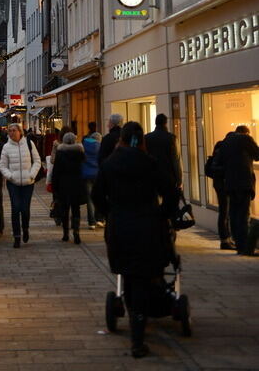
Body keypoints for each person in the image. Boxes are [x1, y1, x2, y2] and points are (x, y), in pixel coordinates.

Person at [92, 121, 178, 359]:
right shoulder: (150, 163)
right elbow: (171, 192)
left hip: (120, 228)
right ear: (142, 141)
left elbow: (96, 195)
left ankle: (136, 331)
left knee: (129, 277)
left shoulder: (110, 164)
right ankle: (137, 339)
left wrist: (111, 212)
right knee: (142, 279)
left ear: (121, 139)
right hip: (148, 227)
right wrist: (162, 214)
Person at [214, 125, 259, 254]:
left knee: (233, 214)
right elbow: (257, 155)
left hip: (230, 184)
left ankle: (239, 245)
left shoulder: (226, 142)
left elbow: (218, 163)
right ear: (246, 132)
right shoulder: (246, 139)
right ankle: (245, 247)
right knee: (244, 214)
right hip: (244, 182)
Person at [0, 123, 41, 247]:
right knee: (15, 208)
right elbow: (2, 166)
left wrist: (32, 174)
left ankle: (26, 228)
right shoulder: (6, 147)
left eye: (14, 130)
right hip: (13, 183)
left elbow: (37, 161)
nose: (11, 133)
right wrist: (10, 176)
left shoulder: (29, 144)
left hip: (28, 182)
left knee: (25, 209)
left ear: (20, 132)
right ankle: (17, 236)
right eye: (9, 131)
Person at [51, 132, 87, 244]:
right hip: (77, 184)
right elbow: (84, 167)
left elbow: (56, 171)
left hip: (63, 185)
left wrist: (54, 186)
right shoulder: (80, 152)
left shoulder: (61, 153)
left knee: (64, 209)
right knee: (76, 209)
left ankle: (65, 233)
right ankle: (76, 232)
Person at [206, 137, 235, 250]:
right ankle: (225, 240)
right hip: (222, 184)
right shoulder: (223, 148)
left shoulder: (220, 146)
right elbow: (218, 167)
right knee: (224, 212)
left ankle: (226, 239)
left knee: (225, 212)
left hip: (220, 184)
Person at [145, 113, 183, 190]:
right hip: (168, 178)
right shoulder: (171, 138)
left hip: (152, 177)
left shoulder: (146, 138)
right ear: (166, 123)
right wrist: (179, 180)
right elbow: (176, 160)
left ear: (155, 123)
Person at [82, 129, 103, 229]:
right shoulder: (100, 147)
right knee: (98, 197)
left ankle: (91, 222)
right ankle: (99, 219)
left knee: (89, 199)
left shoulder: (84, 146)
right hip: (98, 175)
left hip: (86, 175)